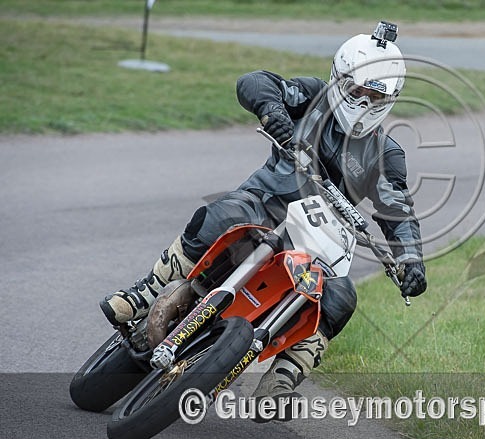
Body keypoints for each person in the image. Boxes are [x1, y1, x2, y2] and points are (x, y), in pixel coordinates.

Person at [99, 22, 426, 415]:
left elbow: (397, 208)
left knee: (341, 296)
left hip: (317, 246)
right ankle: (146, 293)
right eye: (357, 90)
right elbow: (255, 81)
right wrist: (272, 108)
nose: (363, 102)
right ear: (339, 79)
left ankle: (281, 381)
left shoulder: (386, 153)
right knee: (224, 213)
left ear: (390, 100)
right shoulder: (310, 96)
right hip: (263, 207)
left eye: (375, 96)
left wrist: (410, 259)